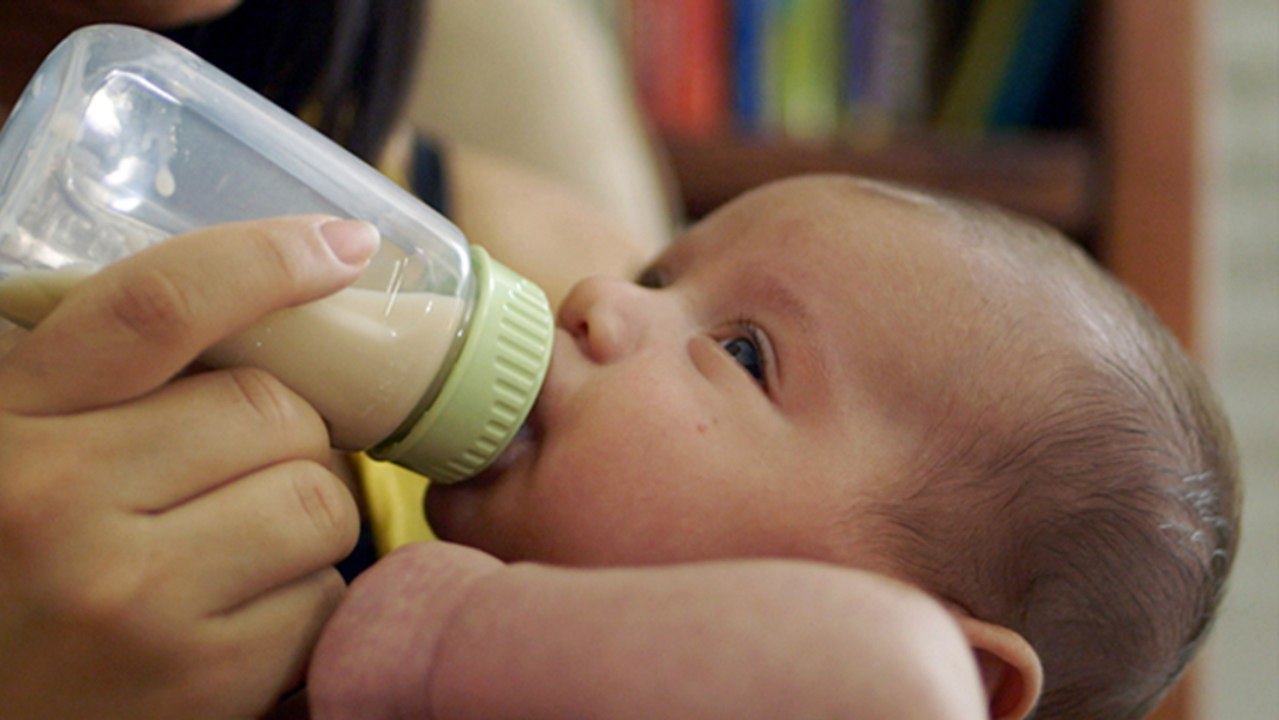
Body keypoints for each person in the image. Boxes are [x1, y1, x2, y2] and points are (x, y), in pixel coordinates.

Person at [310, 175, 1239, 720]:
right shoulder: (373, 493)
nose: (599, 294)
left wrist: (435, 640)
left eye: (741, 352)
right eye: (658, 274)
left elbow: (898, 677)